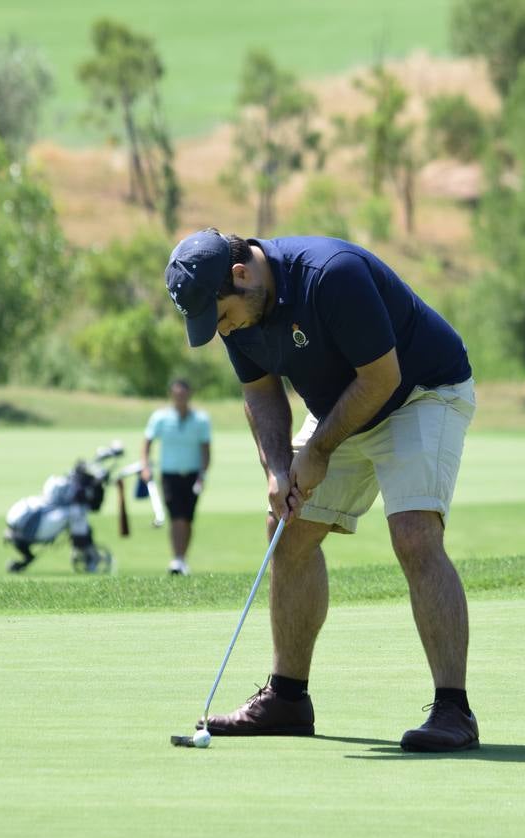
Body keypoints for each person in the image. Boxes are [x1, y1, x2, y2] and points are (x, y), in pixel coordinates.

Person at [164, 228, 479, 752]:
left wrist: (318, 451)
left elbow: (381, 378)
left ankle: (454, 710)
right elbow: (260, 393)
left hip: (422, 391)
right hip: (346, 402)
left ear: (240, 276)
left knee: (414, 534)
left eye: (220, 317)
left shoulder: (331, 275)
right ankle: (288, 698)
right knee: (286, 530)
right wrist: (278, 468)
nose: (223, 330)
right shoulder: (238, 310)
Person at [141, 378, 211, 575]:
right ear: (171, 395)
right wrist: (145, 466)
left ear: (189, 395)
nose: (179, 398)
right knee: (176, 517)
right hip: (169, 475)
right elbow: (146, 443)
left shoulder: (201, 420)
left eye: (183, 394)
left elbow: (206, 450)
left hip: (192, 475)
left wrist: (202, 475)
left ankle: (182, 559)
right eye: (176, 394)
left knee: (187, 518)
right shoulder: (160, 418)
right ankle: (177, 559)